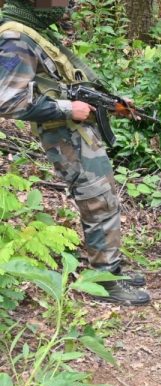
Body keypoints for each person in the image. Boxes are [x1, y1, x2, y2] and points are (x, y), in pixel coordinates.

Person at [0, 0, 149, 305]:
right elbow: (7, 101)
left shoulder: (34, 31)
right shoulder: (15, 37)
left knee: (103, 197)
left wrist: (110, 104)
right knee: (97, 199)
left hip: (74, 131)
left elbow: (63, 84)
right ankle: (103, 281)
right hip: (63, 134)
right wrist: (69, 108)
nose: (64, 3)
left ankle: (110, 266)